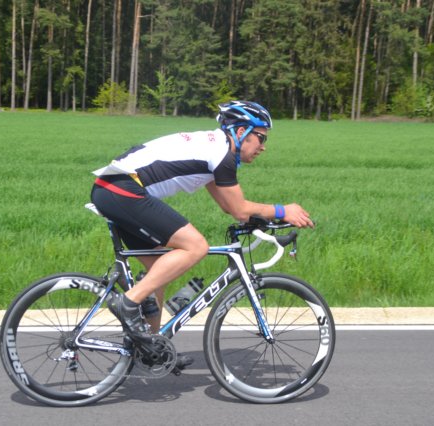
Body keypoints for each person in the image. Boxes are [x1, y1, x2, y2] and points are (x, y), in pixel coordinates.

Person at [90, 100, 314, 369]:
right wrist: (282, 210)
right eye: (261, 137)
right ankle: (127, 303)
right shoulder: (222, 154)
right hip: (122, 190)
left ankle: (150, 348)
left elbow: (230, 208)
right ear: (241, 132)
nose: (263, 146)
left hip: (113, 189)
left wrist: (266, 219)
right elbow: (239, 209)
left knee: (158, 271)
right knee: (196, 247)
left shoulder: (214, 149)